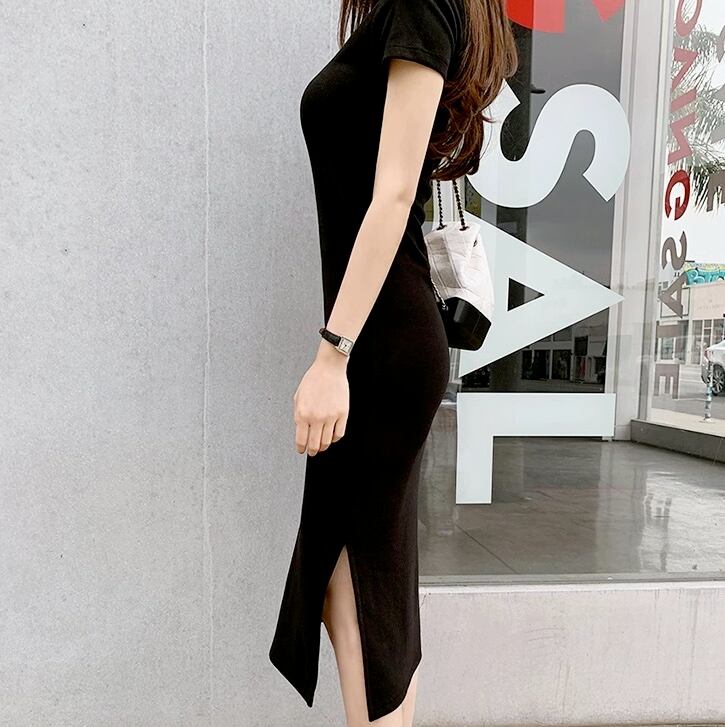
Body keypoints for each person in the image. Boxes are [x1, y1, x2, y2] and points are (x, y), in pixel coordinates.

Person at [269, 0, 517, 724]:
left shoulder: (421, 4)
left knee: (355, 581)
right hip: (385, 343)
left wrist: (332, 356)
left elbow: (396, 193)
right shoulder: (428, 14)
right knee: (364, 584)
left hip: (379, 348)